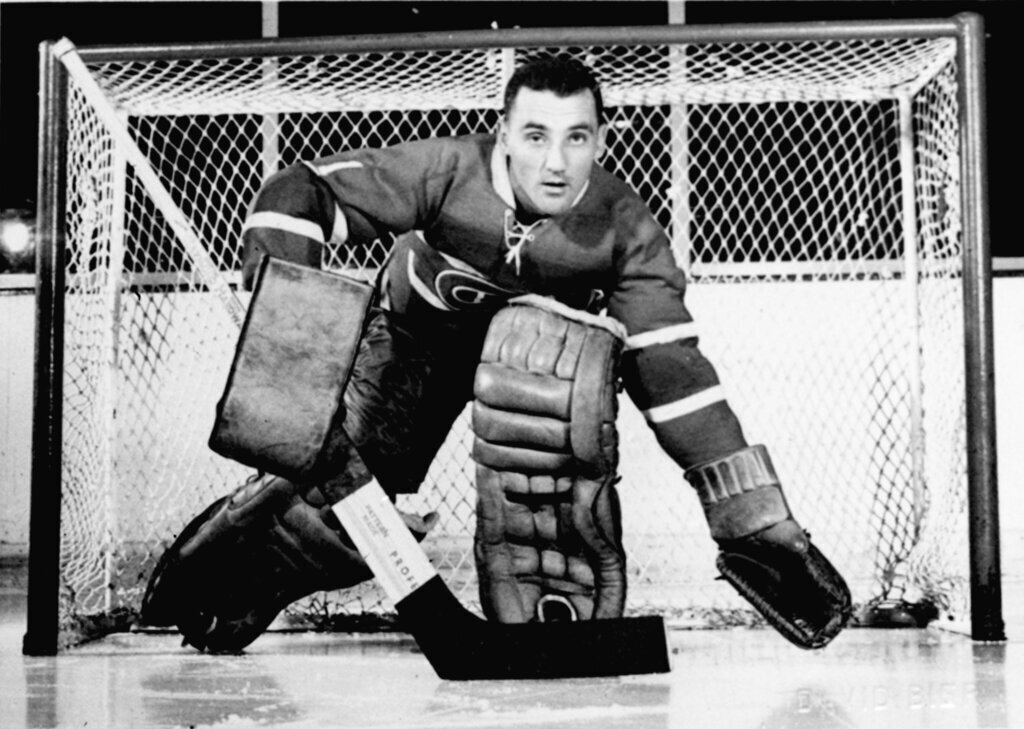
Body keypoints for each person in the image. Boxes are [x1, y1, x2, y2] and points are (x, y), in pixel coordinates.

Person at [142, 54, 851, 653]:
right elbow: (298, 193)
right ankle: (263, 549)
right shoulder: (449, 168)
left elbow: (671, 369)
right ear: (504, 133)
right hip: (411, 344)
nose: (554, 159)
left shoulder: (628, 228)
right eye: (536, 135)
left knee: (562, 378)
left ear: (602, 139)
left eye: (577, 138)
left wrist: (747, 511)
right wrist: (294, 350)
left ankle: (549, 601)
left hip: (532, 373)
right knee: (342, 486)